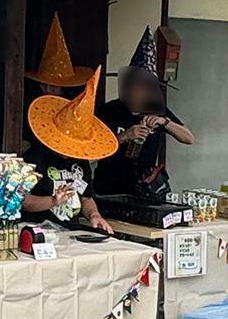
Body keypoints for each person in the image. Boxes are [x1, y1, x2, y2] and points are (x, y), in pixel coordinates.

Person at [23, 20, 120, 232]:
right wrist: (52, 201)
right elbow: (22, 199)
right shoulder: (35, 157)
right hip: (37, 232)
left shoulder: (80, 161)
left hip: (71, 232)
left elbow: (87, 198)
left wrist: (95, 215)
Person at [96, 28, 195, 198]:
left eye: (146, 86)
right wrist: (125, 136)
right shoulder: (109, 111)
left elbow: (189, 138)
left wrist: (164, 122)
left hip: (144, 187)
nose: (140, 91)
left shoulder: (157, 109)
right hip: (110, 186)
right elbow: (95, 149)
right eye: (135, 85)